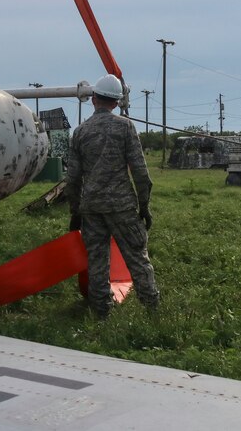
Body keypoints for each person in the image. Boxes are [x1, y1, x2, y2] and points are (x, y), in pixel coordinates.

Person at [64, 74, 160, 317]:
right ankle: (153, 311)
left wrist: (75, 212)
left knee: (97, 261)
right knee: (137, 258)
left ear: (94, 99)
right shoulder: (125, 127)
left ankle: (101, 312)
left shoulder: (80, 132)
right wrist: (144, 206)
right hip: (123, 207)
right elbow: (140, 172)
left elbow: (72, 179)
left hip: (92, 208)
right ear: (116, 103)